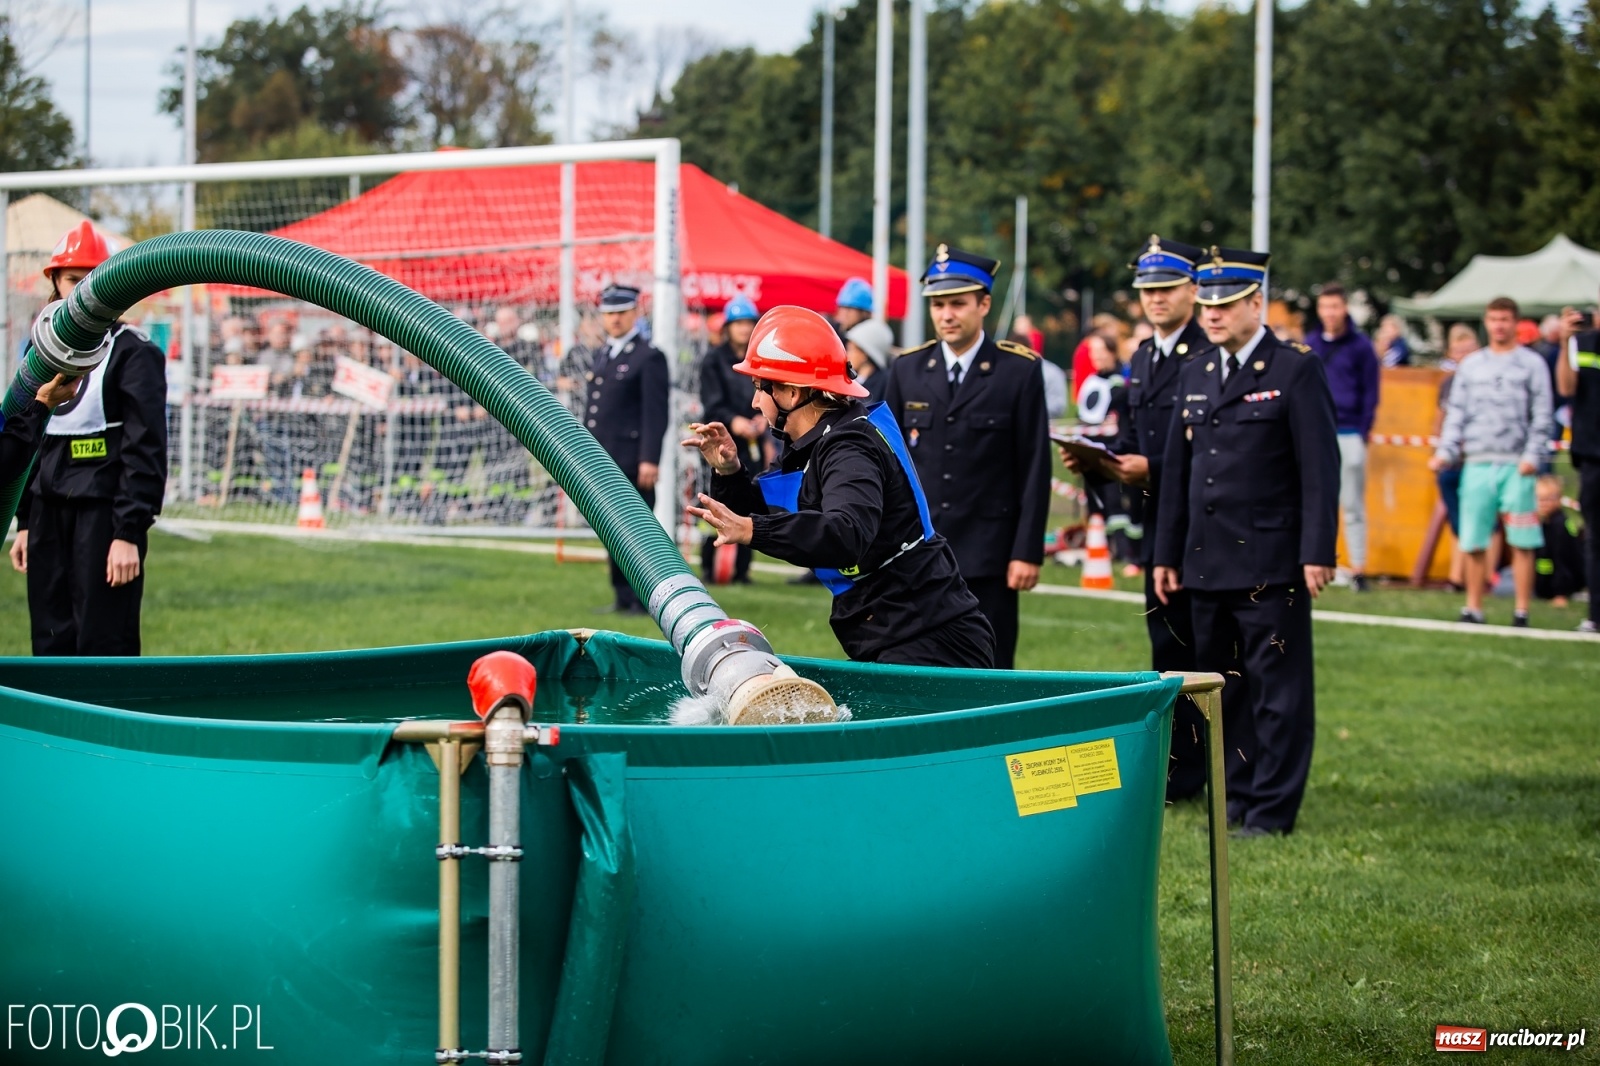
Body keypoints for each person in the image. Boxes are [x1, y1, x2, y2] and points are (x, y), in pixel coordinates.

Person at [683, 306, 994, 666]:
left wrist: (752, 529)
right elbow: (768, 515)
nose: (754, 401)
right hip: (894, 631)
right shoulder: (815, 441)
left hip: (929, 638)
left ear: (790, 393)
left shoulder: (850, 447)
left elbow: (846, 534)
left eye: (759, 387)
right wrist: (729, 470)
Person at [1153, 246, 1340, 837]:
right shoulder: (1198, 371)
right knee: (1226, 696)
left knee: (1277, 696)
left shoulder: (1293, 369)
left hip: (1271, 561)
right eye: (1206, 303)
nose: (1212, 314)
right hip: (1206, 563)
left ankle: (1272, 809)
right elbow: (1179, 473)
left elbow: (1319, 468)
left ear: (1256, 303)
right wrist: (1166, 553)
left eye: (1226, 304)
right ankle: (1235, 801)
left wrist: (1317, 551)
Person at [1067, 234, 1214, 801]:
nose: (1155, 299)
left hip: (1203, 525)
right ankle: (1180, 773)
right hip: (1157, 524)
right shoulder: (1145, 356)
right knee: (1169, 650)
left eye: (1167, 288)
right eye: (1147, 289)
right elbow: (1132, 439)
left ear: (1192, 291)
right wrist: (1096, 461)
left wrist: (1145, 468)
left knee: (1208, 654)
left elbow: (1198, 452)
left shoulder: (1205, 352)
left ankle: (1214, 771)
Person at [881, 245, 1051, 669]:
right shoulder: (908, 370)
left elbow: (1034, 467)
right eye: (938, 305)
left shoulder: (1019, 371)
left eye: (958, 303)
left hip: (989, 555)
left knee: (990, 670)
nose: (947, 314)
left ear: (984, 304)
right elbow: (888, 463)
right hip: (918, 555)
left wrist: (1026, 551)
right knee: (920, 669)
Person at [11, 221, 169, 656]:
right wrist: (24, 521)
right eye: (72, 281)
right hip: (46, 515)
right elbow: (26, 438)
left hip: (104, 519)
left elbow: (146, 450)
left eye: (91, 282)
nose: (80, 293)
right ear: (55, 283)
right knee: (49, 640)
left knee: (103, 641)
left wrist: (129, 533)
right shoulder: (37, 351)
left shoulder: (134, 353)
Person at [1428, 297, 1553, 627]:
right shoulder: (1471, 365)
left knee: (1522, 540)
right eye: (1494, 319)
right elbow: (1457, 413)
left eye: (1505, 319)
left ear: (1515, 323)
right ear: (1486, 321)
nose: (1499, 325)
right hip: (1478, 462)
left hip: (1516, 464)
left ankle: (1522, 610)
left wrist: (1532, 455)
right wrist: (1446, 451)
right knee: (1473, 538)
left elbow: (1542, 414)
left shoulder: (1531, 364)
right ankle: (1473, 607)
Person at [585, 284, 670, 614]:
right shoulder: (604, 354)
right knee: (611, 530)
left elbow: (655, 412)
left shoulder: (648, 356)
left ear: (635, 312)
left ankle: (642, 597)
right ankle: (622, 596)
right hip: (604, 457)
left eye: (620, 313)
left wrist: (649, 458)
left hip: (633, 459)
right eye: (608, 314)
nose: (614, 320)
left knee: (636, 531)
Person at [1306, 282, 1380, 591]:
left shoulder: (1361, 346)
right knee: (1315, 501)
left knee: (1351, 503)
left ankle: (1358, 567)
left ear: (1344, 308)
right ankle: (1319, 562)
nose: (1330, 313)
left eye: (1335, 306)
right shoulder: (1311, 343)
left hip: (1348, 430)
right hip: (1316, 432)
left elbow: (1371, 391)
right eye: (1325, 307)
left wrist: (1363, 429)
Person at [697, 294, 768, 584]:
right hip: (718, 443)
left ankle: (742, 571)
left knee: (748, 502)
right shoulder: (713, 360)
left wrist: (763, 418)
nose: (743, 328)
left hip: (750, 442)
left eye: (748, 323)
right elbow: (711, 403)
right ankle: (709, 567)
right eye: (738, 323)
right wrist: (733, 421)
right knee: (714, 502)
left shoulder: (760, 360)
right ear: (727, 327)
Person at [1558, 301, 1600, 633]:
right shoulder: (1582, 345)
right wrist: (1564, 342)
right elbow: (1566, 388)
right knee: (1595, 538)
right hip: (1592, 456)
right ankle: (1596, 615)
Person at [1532, 475, 1586, 607]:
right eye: (1540, 499)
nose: (1543, 504)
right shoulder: (1545, 522)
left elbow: (1563, 562)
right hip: (1545, 584)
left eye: (1548, 500)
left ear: (1558, 500)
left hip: (1567, 583)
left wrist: (1560, 594)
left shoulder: (1559, 526)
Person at [844, 318, 895, 404]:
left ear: (864, 354)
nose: (847, 354)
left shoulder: (887, 384)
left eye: (851, 350)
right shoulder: (849, 380)